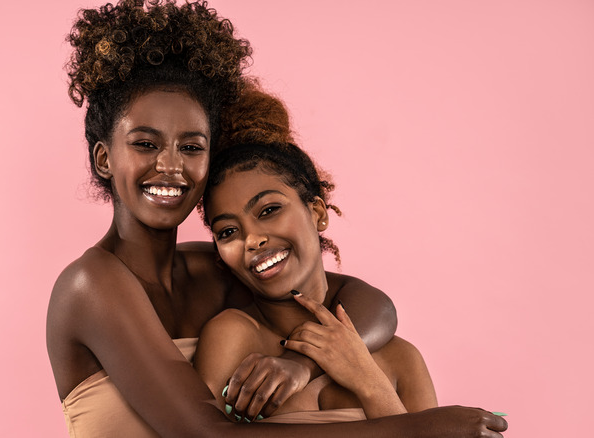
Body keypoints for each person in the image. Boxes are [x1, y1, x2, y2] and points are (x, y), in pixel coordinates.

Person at [46, 1, 507, 436]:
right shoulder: (91, 285)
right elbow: (206, 434)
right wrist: (416, 429)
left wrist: (306, 364)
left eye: (191, 147)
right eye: (145, 143)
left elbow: (368, 302)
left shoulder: (217, 268)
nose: (171, 165)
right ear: (104, 158)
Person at [194, 85, 440, 424]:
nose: (252, 239)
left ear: (318, 213)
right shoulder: (235, 336)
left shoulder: (402, 359)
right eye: (228, 232)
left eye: (269, 210)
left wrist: (368, 383)